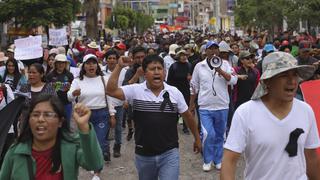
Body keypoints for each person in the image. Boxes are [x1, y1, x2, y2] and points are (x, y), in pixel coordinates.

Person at [221, 52, 320, 180]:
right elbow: (229, 161)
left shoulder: (305, 111)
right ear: (267, 81)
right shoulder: (246, 113)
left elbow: (311, 158)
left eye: (294, 75)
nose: (292, 81)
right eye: (284, 75)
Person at [106, 54, 201, 180]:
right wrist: (119, 66)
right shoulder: (135, 91)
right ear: (144, 73)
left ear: (165, 72)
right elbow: (111, 91)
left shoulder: (174, 92)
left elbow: (188, 117)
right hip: (144, 154)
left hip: (169, 153)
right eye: (152, 69)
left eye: (159, 68)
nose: (156, 72)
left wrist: (197, 138)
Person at [0, 94, 104, 179]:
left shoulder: (71, 147)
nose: (40, 119)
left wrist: (83, 127)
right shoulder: (15, 152)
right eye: (35, 115)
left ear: (60, 122)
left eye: (48, 114)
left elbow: (95, 165)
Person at [190, 41, 238, 171]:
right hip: (205, 106)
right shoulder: (199, 66)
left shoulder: (226, 64)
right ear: (205, 51)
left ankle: (218, 160)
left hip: (222, 106)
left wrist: (220, 70)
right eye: (210, 49)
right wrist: (191, 105)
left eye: (216, 49)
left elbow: (233, 80)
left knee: (220, 135)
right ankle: (207, 159)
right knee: (208, 134)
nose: (213, 51)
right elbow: (194, 86)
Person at [67, 54, 115, 179]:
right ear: (84, 66)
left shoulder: (104, 79)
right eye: (88, 63)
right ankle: (95, 160)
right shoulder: (77, 80)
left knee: (98, 142)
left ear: (97, 65)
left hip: (101, 114)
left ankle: (97, 171)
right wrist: (73, 93)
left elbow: (109, 97)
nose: (91, 65)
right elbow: (69, 96)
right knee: (86, 142)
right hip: (84, 116)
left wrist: (112, 114)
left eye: (93, 63)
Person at [167, 48, 192, 134]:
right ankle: (173, 126)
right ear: (178, 57)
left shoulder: (189, 65)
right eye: (182, 55)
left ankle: (185, 127)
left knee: (185, 109)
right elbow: (169, 80)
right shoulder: (174, 66)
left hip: (186, 90)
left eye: (185, 55)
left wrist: (190, 79)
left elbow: (192, 79)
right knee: (175, 109)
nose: (184, 57)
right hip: (175, 91)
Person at [46, 54, 74, 125]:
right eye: (59, 62)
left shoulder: (69, 75)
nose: (61, 65)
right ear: (55, 63)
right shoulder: (50, 75)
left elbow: (73, 88)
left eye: (63, 63)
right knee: (54, 123)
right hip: (54, 104)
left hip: (67, 103)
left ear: (65, 64)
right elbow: (47, 90)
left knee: (66, 123)